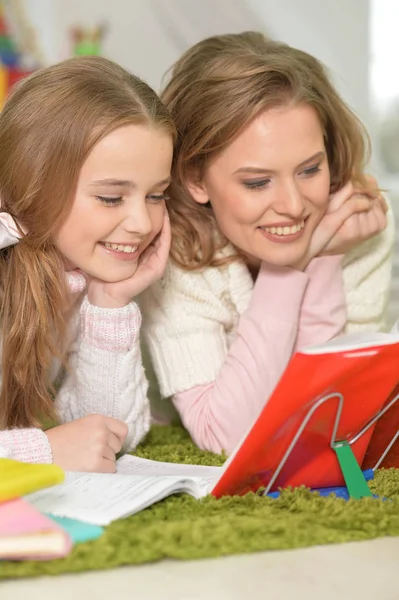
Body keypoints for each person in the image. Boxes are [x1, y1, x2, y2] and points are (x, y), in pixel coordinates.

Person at [141, 32, 394, 455]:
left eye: (310, 169)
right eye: (257, 182)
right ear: (195, 178)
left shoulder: (360, 226)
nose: (294, 206)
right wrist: (290, 268)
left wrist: (325, 258)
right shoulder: (167, 251)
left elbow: (329, 419)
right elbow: (225, 437)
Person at [0, 56, 174, 471]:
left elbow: (108, 435)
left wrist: (110, 302)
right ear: (32, 187)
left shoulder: (72, 275)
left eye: (156, 195)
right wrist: (43, 452)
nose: (141, 223)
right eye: (111, 197)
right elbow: (69, 448)